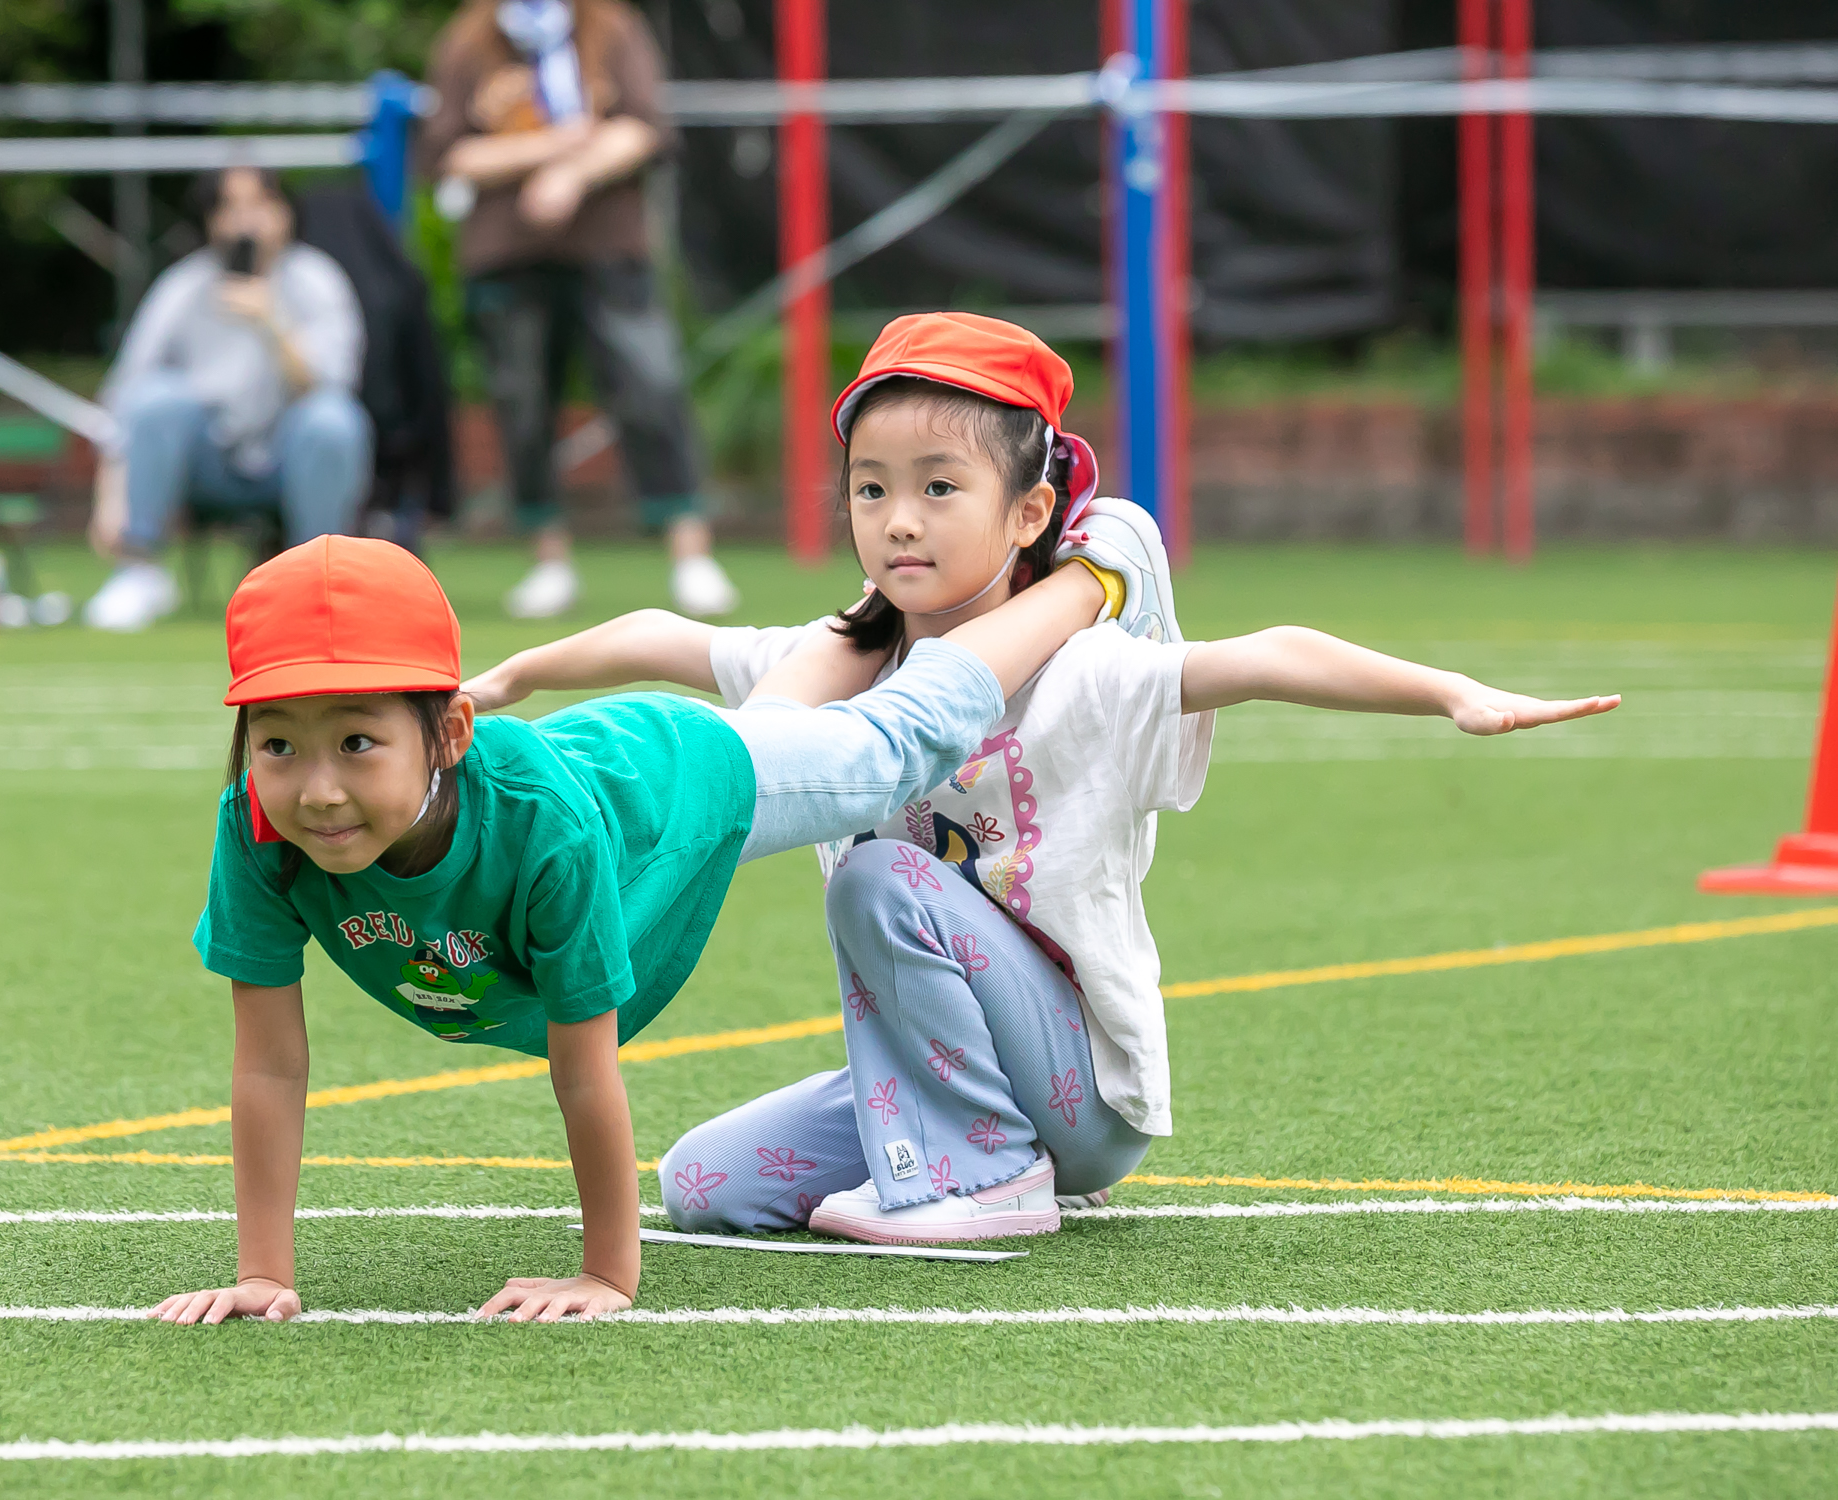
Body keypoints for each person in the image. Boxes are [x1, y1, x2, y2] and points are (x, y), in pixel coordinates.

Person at [464, 312, 1622, 1244]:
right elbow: (667, 635)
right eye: (871, 489)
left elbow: (1269, 656)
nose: (898, 522)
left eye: (937, 488)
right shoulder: (845, 664)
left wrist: (1451, 691)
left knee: (875, 879)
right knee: (704, 1181)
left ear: (1029, 513)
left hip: (1082, 1090)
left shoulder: (1085, 668)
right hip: (976, 1072)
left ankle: (991, 1178)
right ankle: (962, 1150)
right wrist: (515, 673)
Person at [151, 525, 1121, 1327]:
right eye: (278, 742)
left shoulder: (544, 835)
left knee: (892, 746)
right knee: (801, 703)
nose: (316, 790)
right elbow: (271, 1064)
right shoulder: (259, 827)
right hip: (603, 782)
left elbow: (583, 1067)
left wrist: (608, 1275)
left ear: (448, 732)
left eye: (358, 741)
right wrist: (264, 1274)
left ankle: (1083, 577)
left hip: (686, 779)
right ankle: (846, 641)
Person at [420, 0, 739, 621]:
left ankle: (690, 552)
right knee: (521, 403)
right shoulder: (467, 40)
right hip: (505, 255)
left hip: (611, 245)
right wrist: (553, 146)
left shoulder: (611, 26)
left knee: (652, 385)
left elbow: (643, 127)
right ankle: (548, 560)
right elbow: (450, 154)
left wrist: (573, 175)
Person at [83, 166, 375, 632]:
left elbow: (332, 387)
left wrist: (271, 320)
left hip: (290, 458)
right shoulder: (184, 284)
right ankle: (139, 571)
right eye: (231, 208)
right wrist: (110, 497)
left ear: (285, 212)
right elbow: (124, 397)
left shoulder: (318, 278)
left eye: (260, 205)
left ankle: (318, 586)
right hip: (209, 463)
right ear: (211, 220)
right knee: (158, 398)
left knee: (333, 420)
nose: (247, 221)